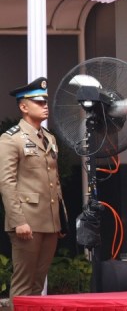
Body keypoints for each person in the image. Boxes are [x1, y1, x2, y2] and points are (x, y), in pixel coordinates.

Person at [1, 77, 62, 298]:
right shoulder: (11, 139)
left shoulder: (49, 138)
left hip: (49, 221)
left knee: (38, 284)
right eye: (39, 102)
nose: (45, 106)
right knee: (24, 284)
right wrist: (18, 221)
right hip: (27, 221)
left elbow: (54, 179)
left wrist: (59, 218)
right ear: (23, 106)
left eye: (45, 102)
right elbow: (6, 183)